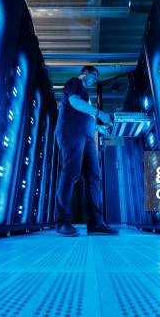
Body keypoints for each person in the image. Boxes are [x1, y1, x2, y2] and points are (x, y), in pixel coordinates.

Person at [54, 65, 119, 237]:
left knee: (93, 176)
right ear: (86, 73)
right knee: (71, 172)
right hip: (71, 131)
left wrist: (99, 127)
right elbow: (75, 103)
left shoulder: (87, 96)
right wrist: (100, 113)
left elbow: (85, 116)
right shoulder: (75, 82)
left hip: (87, 136)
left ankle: (96, 223)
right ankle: (63, 222)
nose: (95, 80)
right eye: (95, 76)